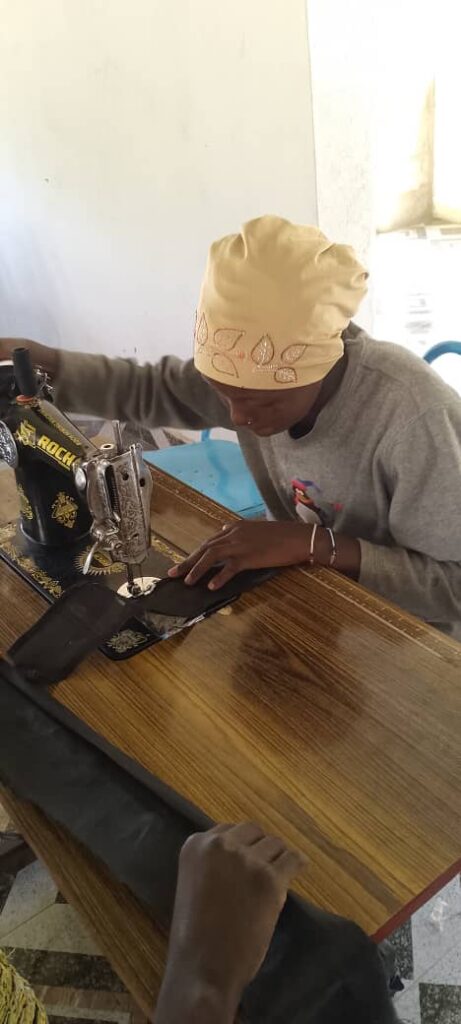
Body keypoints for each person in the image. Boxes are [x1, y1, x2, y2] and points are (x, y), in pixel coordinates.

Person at [2, 215, 460, 638]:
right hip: (312, 593)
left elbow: (453, 587)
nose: (237, 418)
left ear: (320, 369)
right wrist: (43, 362)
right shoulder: (250, 384)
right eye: (222, 395)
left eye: (260, 401)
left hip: (409, 638)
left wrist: (317, 544)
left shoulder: (414, 418)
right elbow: (149, 388)